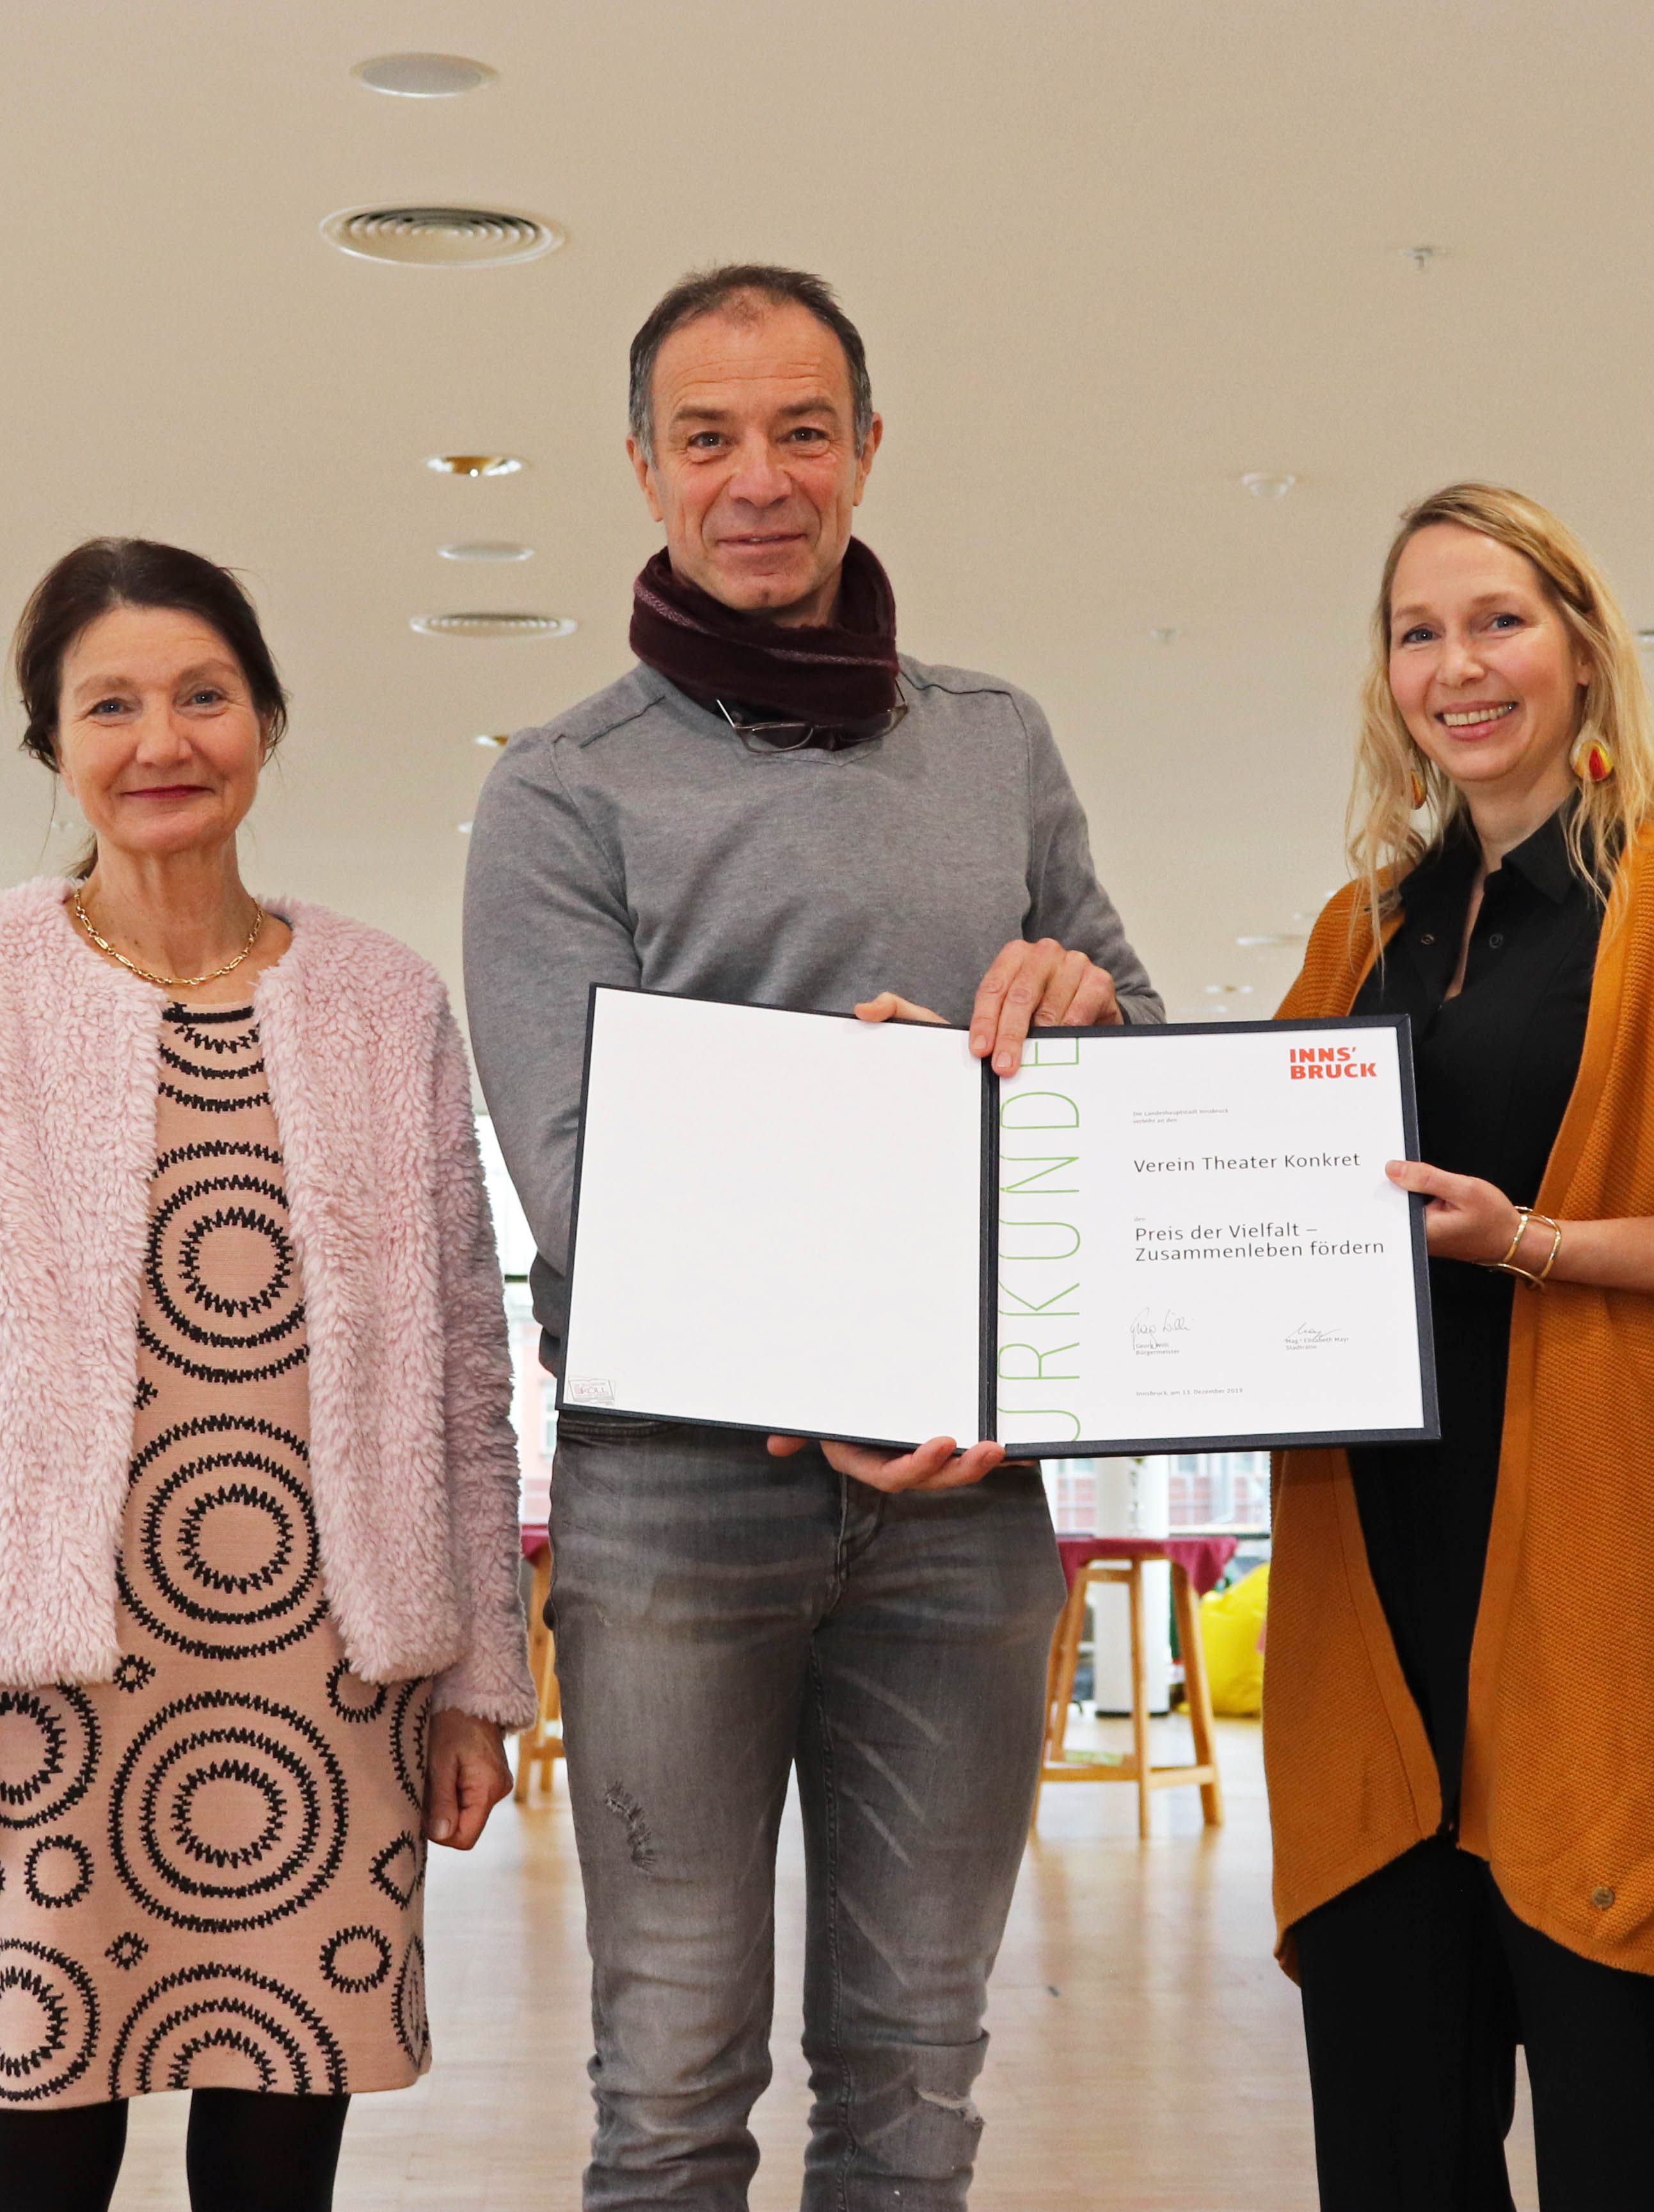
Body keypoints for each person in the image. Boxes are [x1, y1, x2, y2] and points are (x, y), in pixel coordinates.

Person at [462, 264, 1160, 2209]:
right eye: (707, 437)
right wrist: (828, 1310)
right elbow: (578, 1166)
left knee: (913, 2078)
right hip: (671, 1502)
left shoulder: (995, 745)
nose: (755, 478)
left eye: (798, 430)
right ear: (640, 466)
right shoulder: (558, 789)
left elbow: (1135, 1043)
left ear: (864, 447)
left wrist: (1087, 1015)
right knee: (672, 2077)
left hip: (963, 1501)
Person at [0, 538, 531, 2212]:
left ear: (266, 719)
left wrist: (482, 1675)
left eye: (203, 695)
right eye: (110, 704)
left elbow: (464, 1375)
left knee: (278, 2165)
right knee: (38, 2166)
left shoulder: (382, 1000)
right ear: (51, 744)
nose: (162, 741)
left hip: (324, 1683)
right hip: (39, 1689)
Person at [1264, 482, 1654, 2211]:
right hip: (1367, 1611)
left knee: (1629, 2130)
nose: (1459, 665)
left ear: (1583, 649)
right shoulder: (1355, 931)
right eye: (1416, 631)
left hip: (1596, 1609)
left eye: (1499, 620)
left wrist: (1531, 1241)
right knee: (1392, 2146)